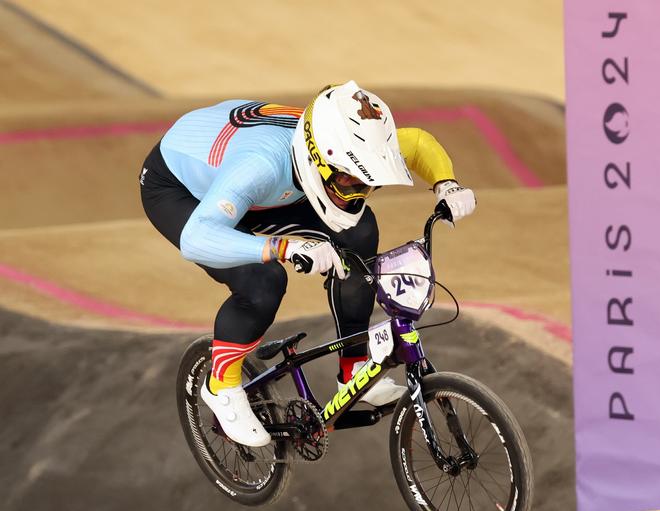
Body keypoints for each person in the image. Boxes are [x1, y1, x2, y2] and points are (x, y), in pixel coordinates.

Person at [139, 80, 476, 447]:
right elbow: (196, 239)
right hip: (183, 192)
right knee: (262, 280)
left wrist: (447, 184)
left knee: (359, 233)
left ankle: (354, 370)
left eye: (366, 184)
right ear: (318, 157)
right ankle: (220, 385)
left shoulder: (345, 144)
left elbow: (419, 143)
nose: (356, 193)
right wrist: (284, 247)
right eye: (349, 181)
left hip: (269, 189)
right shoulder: (261, 165)